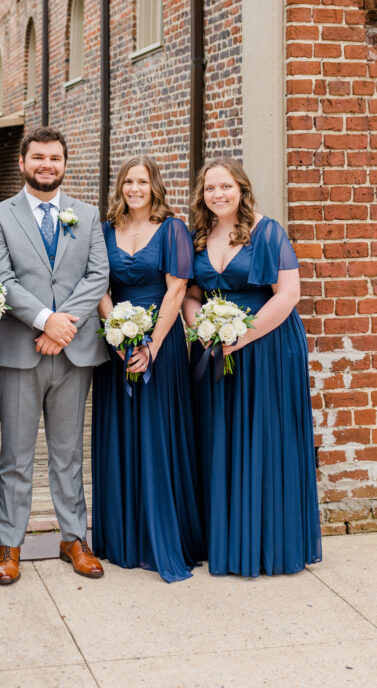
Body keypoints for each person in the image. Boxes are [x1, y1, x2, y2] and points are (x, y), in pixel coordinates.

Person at [0, 127, 110, 585]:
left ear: (64, 163)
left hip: (73, 352)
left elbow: (98, 275)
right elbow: (0, 278)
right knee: (15, 455)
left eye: (55, 158)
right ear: (23, 162)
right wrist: (42, 320)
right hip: (20, 351)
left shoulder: (87, 215)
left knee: (68, 453)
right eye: (38, 157)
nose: (47, 165)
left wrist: (64, 324)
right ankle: (9, 544)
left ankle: (73, 538)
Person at [183, 157, 322, 576]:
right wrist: (201, 330)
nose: (218, 195)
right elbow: (191, 294)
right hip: (215, 349)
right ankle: (225, 538)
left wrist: (240, 337)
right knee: (221, 439)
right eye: (210, 189)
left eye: (225, 187)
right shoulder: (200, 236)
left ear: (241, 189)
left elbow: (288, 294)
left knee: (264, 439)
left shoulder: (268, 232)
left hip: (267, 347)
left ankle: (267, 543)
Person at [92, 156, 204, 582]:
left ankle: (165, 535)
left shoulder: (173, 229)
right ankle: (125, 538)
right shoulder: (106, 231)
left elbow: (176, 292)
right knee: (121, 433)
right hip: (118, 344)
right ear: (120, 188)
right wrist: (117, 332)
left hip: (163, 342)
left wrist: (152, 346)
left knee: (158, 433)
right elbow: (100, 287)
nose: (134, 189)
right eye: (127, 182)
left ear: (154, 186)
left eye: (142, 181)